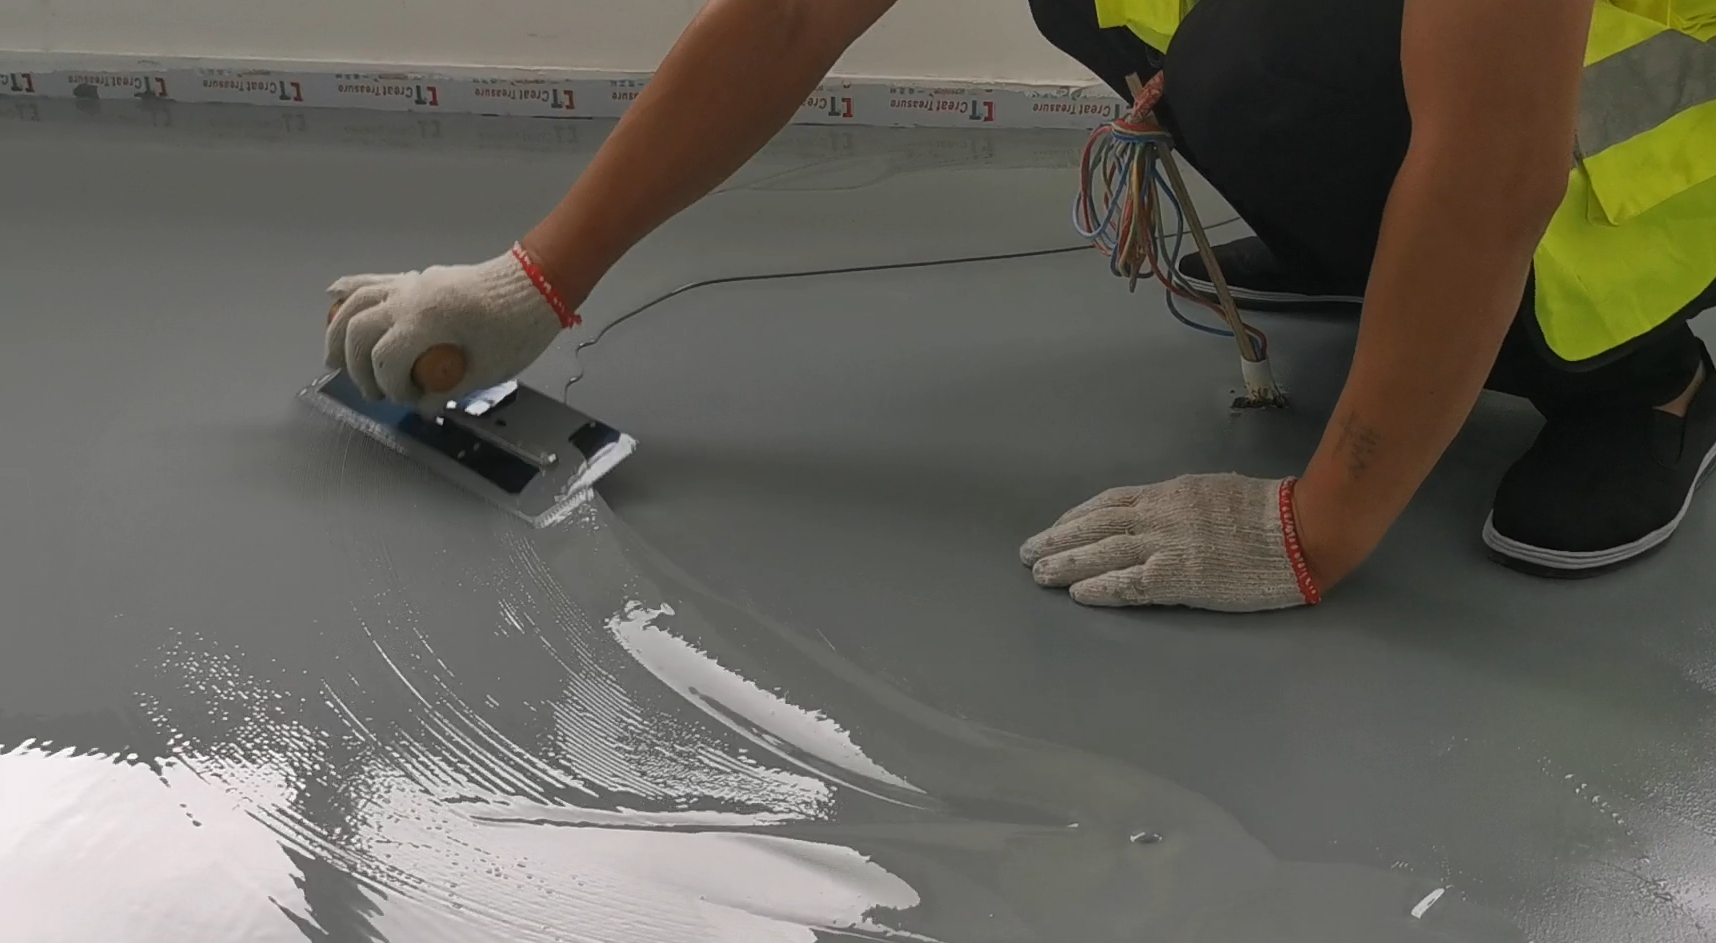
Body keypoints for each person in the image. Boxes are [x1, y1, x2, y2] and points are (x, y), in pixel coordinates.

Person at [324, 0, 1716, 613]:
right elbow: (798, 11)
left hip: (1654, 159)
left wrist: (1321, 522)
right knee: (1190, 30)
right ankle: (1356, 231)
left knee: (1286, 69)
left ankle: (1645, 381)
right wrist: (537, 280)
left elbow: (1495, 166)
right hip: (1458, 83)